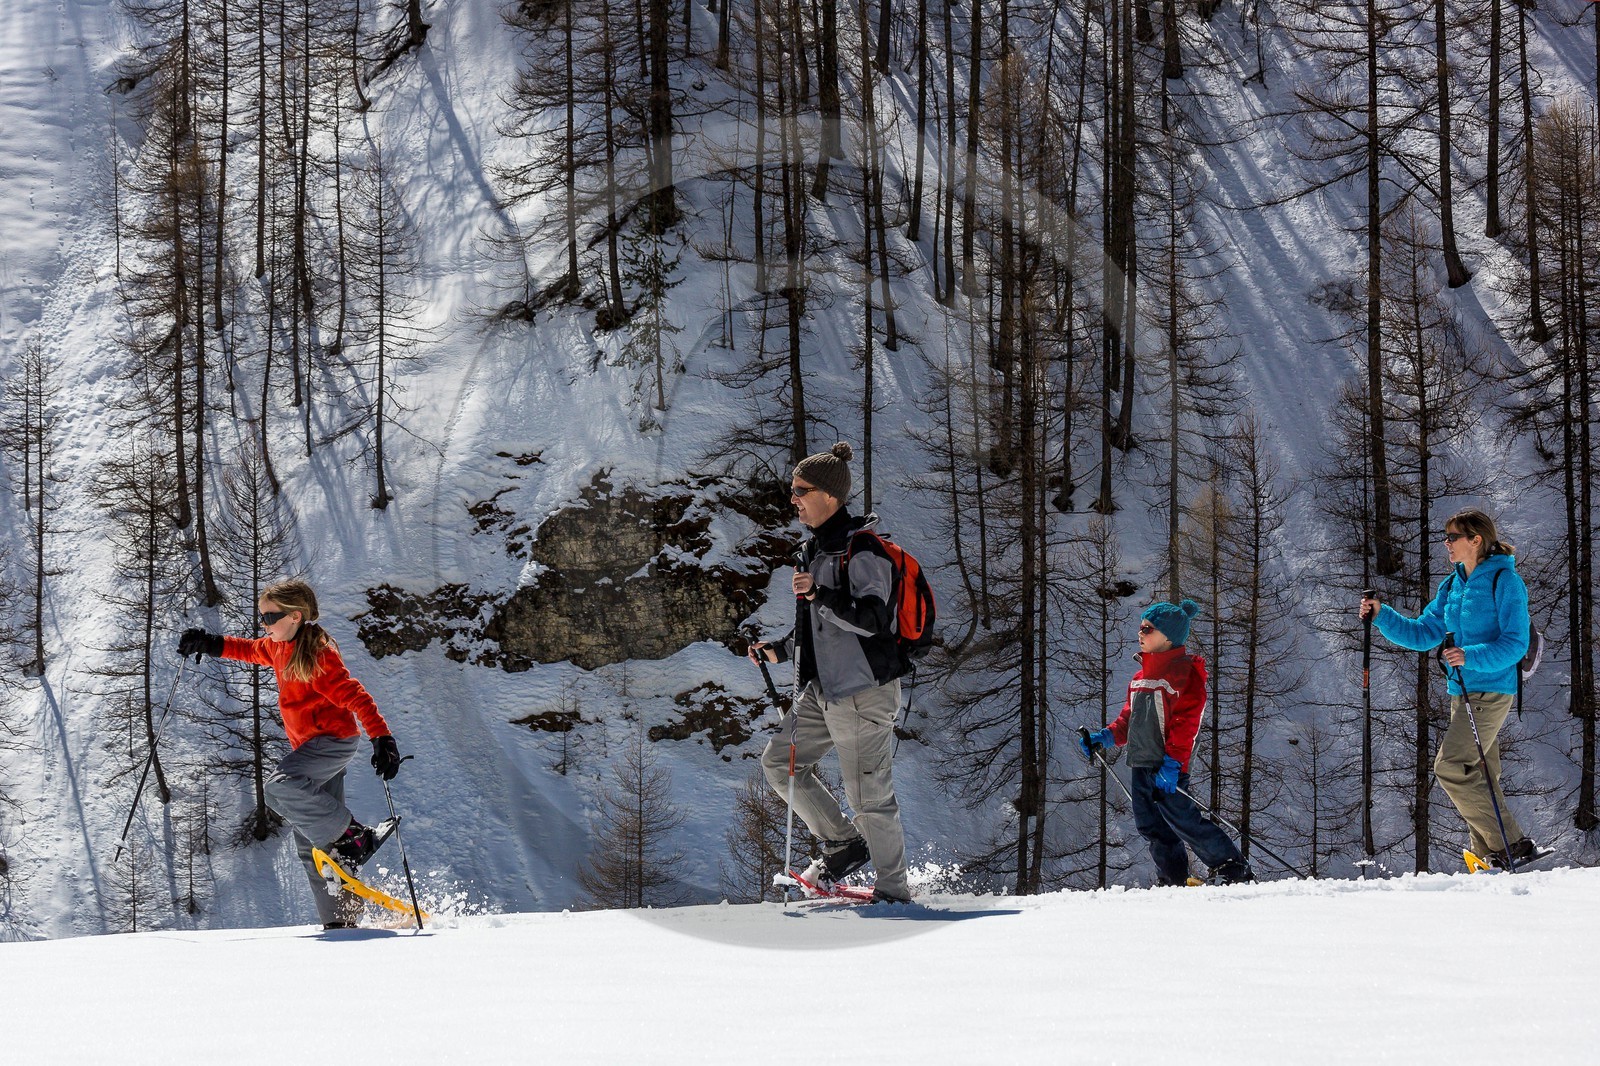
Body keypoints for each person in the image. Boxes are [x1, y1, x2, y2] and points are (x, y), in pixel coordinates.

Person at [179, 579, 403, 929]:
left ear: (296, 616)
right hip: (310, 749)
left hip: (332, 742)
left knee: (278, 787)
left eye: (270, 617)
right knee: (313, 847)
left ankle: (356, 836)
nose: (263, 625)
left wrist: (382, 737)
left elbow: (356, 695)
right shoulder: (276, 647)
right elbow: (248, 649)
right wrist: (210, 644)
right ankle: (341, 924)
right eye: (262, 617)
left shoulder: (318, 654)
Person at [747, 443, 912, 904]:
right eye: (793, 490)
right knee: (779, 764)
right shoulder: (813, 550)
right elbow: (817, 629)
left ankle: (893, 892)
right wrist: (778, 652)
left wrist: (819, 594)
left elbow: (874, 620)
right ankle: (844, 844)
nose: (793, 499)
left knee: (869, 797)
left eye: (801, 491)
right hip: (822, 690)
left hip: (862, 691)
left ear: (830, 495)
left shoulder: (864, 550)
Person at [1359, 508, 1543, 869]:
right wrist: (1382, 614)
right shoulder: (1453, 584)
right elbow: (1423, 632)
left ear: (1476, 539)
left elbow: (1516, 643)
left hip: (1492, 689)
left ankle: (1515, 845)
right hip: (1462, 692)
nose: (1447, 544)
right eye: (1445, 537)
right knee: (1481, 774)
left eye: (1453, 537)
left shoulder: (1505, 582)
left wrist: (1467, 655)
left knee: (1451, 767)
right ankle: (1488, 854)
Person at [1078, 600, 1255, 886]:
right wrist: (1105, 737)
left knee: (1181, 818)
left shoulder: (1184, 675)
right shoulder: (1139, 678)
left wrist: (1173, 763)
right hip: (1141, 762)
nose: (1140, 633)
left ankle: (1232, 866)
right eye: (1141, 628)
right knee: (1151, 825)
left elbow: (1186, 725)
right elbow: (1128, 721)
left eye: (1148, 629)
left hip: (1167, 765)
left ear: (1168, 637)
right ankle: (1172, 877)